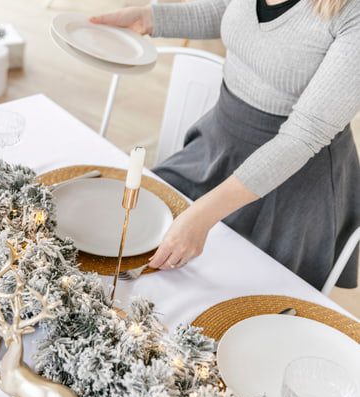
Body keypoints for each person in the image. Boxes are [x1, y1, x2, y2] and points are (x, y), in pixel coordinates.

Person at [92, 0, 360, 290]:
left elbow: (305, 135)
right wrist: (148, 18)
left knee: (232, 293)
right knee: (140, 239)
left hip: (293, 182)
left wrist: (205, 213)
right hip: (218, 143)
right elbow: (228, 9)